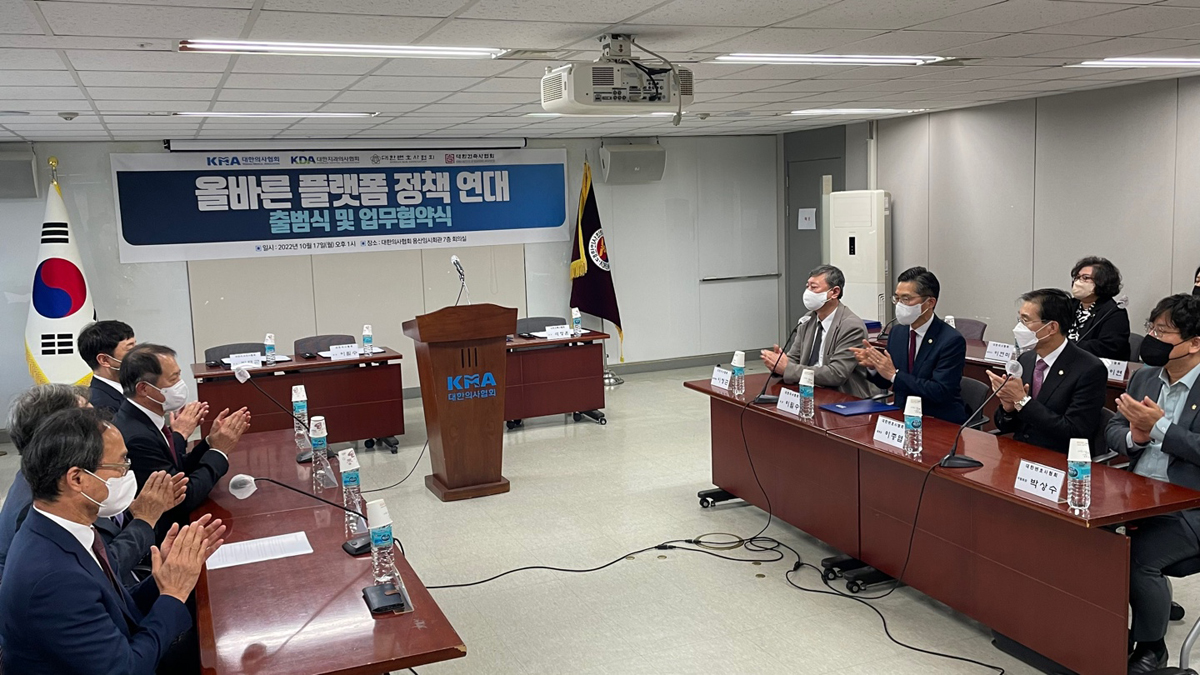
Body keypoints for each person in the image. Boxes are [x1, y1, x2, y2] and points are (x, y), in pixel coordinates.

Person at [0, 406, 225, 674]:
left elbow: (111, 606)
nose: (127, 473)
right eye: (120, 465)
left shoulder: (62, 527)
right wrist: (174, 594)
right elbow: (125, 669)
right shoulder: (53, 578)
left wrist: (163, 579)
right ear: (77, 478)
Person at [0, 384, 185, 585]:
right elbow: (97, 569)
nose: (102, 425)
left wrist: (136, 513)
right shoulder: (39, 504)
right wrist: (144, 520)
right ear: (58, 435)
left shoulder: (59, 476)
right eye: (89, 419)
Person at [1104, 294, 1200, 673]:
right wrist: (1136, 437)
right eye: (1152, 328)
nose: (1152, 339)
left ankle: (1151, 648)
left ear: (1195, 343)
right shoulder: (1145, 376)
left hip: (1190, 505)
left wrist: (1160, 427)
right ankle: (1099, 629)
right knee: (1083, 538)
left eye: (1163, 332)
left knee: (1138, 558)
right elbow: (1113, 427)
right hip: (1137, 492)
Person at [114, 343, 250, 537]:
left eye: (179, 375)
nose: (180, 384)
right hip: (164, 535)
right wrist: (219, 452)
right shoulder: (138, 437)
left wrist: (210, 442)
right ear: (144, 389)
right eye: (173, 379)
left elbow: (175, 468)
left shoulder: (143, 417)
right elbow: (183, 497)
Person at [989, 288, 1108, 455]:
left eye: (1026, 320)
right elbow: (1006, 426)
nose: (1019, 327)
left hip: (1058, 458)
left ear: (1052, 327)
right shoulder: (1026, 360)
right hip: (1021, 452)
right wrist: (1008, 409)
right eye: (1019, 319)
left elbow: (1075, 430)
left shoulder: (1090, 369)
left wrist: (1022, 401)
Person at [850, 267, 966, 423]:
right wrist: (875, 367)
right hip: (901, 414)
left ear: (930, 302)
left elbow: (940, 391)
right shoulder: (898, 332)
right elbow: (886, 382)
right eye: (897, 298)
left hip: (937, 418)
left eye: (906, 299)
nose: (899, 305)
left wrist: (894, 375)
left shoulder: (951, 340)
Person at [760, 264, 873, 398]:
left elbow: (836, 374)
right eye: (807, 286)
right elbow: (794, 359)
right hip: (808, 391)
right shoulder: (808, 319)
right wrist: (777, 364)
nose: (808, 292)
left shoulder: (851, 326)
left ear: (834, 292)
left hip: (843, 397)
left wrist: (787, 369)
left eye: (814, 287)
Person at [1066, 256, 1131, 361]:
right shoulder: (1068, 305)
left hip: (1092, 364)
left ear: (1102, 282)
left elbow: (1108, 347)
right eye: (1077, 277)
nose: (1078, 282)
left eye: (1085, 278)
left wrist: (1065, 346)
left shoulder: (1114, 312)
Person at [79, 319, 137, 414]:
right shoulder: (100, 405)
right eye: (130, 349)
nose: (139, 354)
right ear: (104, 360)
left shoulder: (137, 387)